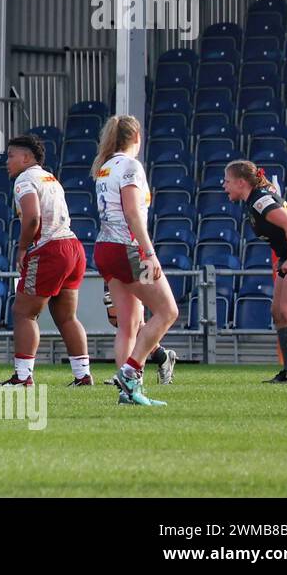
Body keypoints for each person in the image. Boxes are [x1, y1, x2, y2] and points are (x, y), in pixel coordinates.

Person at [92, 115, 176, 406]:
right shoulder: (130, 166)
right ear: (136, 137)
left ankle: (126, 393)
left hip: (106, 249)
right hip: (128, 249)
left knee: (128, 323)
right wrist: (149, 252)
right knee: (167, 312)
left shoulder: (105, 167)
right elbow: (132, 212)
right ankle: (130, 373)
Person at [0, 134, 93, 387]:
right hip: (73, 247)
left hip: (50, 250)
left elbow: (32, 218)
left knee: (23, 314)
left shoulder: (25, 179)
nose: (6, 161)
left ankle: (22, 377)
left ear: (26, 158)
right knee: (66, 317)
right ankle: (83, 375)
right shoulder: (51, 178)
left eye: (10, 156)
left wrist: (21, 248)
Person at [224, 160, 287, 384]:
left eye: (227, 181)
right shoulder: (256, 198)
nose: (224, 186)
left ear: (242, 182)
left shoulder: (260, 201)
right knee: (277, 312)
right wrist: (283, 256)